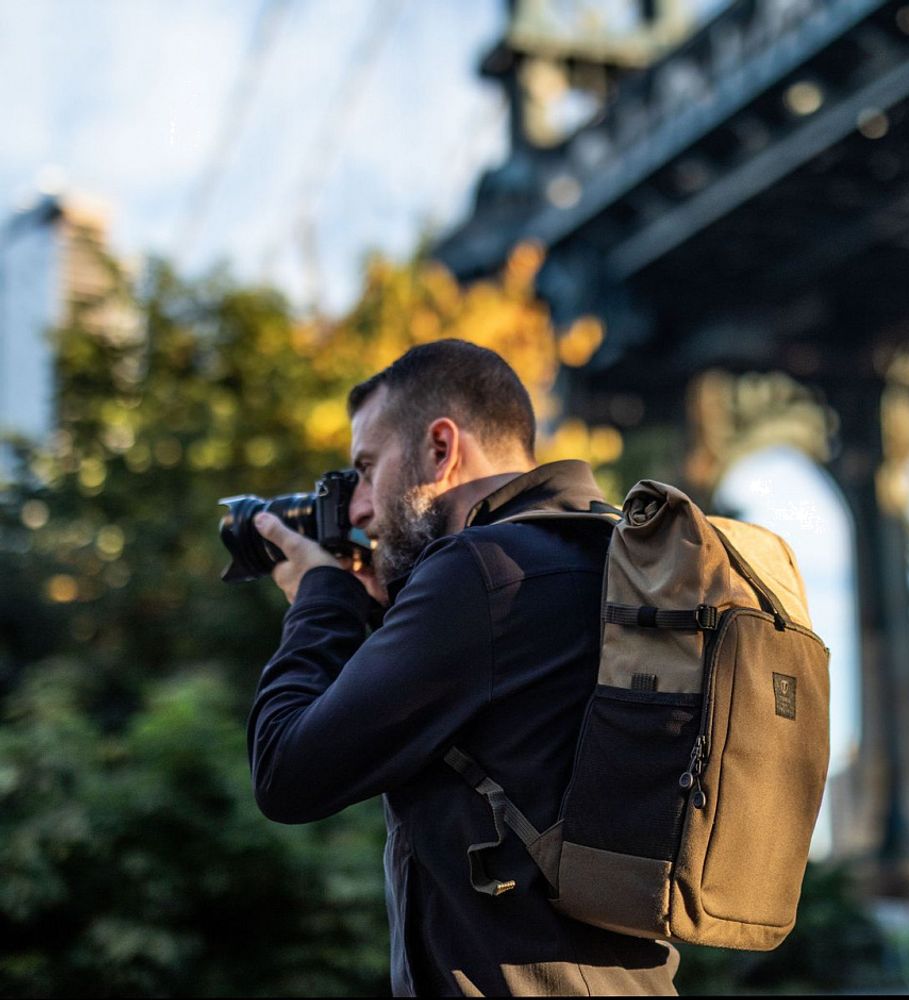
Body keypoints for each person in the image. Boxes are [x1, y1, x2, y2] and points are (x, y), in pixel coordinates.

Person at [247, 339, 679, 996]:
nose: (359, 509)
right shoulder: (602, 558)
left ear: (440, 448)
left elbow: (286, 772)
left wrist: (321, 596)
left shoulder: (481, 573)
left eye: (367, 468)